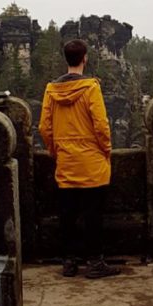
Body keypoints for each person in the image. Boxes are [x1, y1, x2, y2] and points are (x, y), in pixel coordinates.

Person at [39, 39, 121, 278]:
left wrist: (55, 151)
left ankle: (69, 262)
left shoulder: (51, 90)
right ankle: (95, 264)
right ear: (85, 58)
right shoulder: (91, 88)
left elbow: (45, 127)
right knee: (93, 215)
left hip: (65, 160)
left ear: (66, 59)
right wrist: (105, 150)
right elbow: (101, 125)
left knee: (67, 215)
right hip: (92, 161)